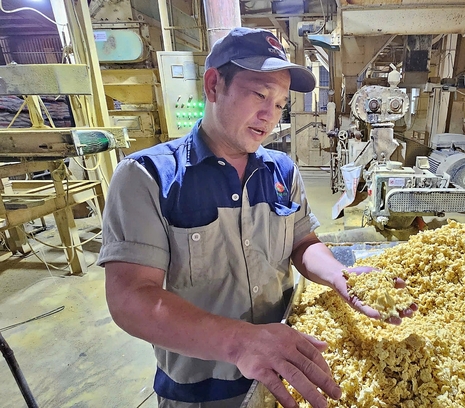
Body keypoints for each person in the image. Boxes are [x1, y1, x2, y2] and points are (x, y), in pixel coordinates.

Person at [98, 27, 416, 408]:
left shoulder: (281, 171)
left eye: (280, 103)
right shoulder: (147, 177)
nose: (269, 116)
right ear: (214, 85)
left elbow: (302, 242)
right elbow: (130, 298)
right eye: (259, 95)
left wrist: (340, 277)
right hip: (200, 392)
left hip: (281, 376)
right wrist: (240, 342)